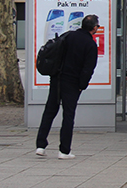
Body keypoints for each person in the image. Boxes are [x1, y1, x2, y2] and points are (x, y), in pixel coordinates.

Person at [35, 14, 99, 159]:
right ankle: (64, 150)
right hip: (73, 82)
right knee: (68, 115)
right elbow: (88, 68)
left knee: (50, 111)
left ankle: (40, 145)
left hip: (57, 78)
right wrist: (82, 85)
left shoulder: (68, 36)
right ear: (94, 28)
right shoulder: (90, 44)